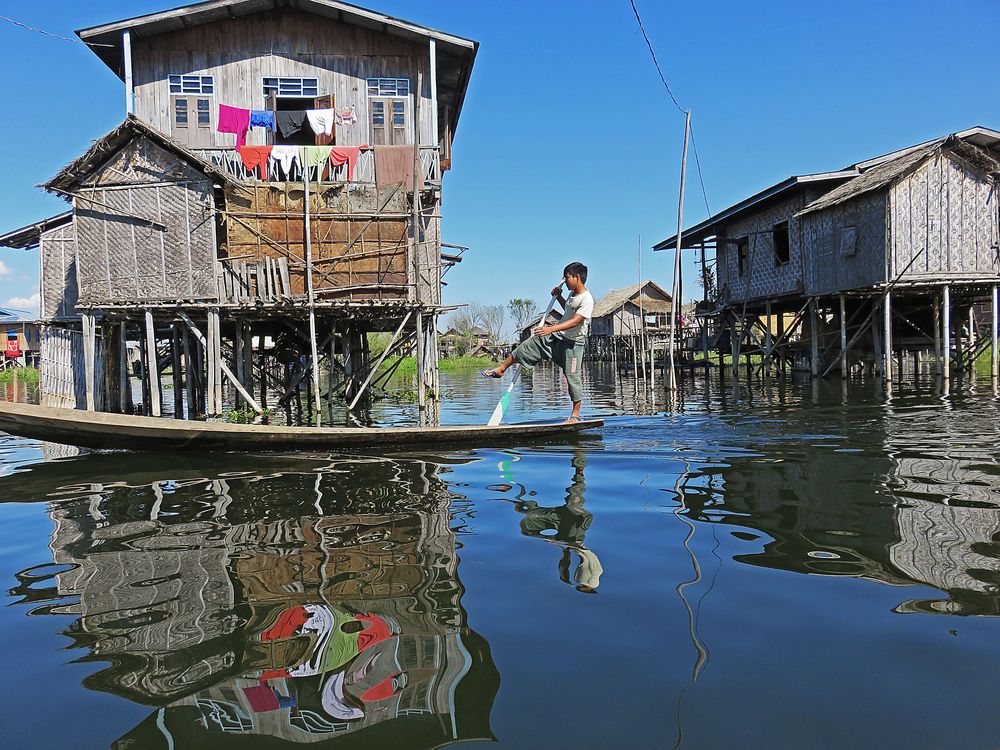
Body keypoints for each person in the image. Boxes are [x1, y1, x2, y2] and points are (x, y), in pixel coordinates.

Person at [482, 262, 594, 423]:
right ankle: (501, 369)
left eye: (567, 277)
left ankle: (575, 414)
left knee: (572, 377)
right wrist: (559, 297)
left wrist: (551, 329)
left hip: (573, 345)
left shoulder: (587, 299)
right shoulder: (573, 295)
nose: (565, 280)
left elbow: (576, 321)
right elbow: (569, 310)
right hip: (559, 338)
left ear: (577, 277)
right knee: (530, 344)